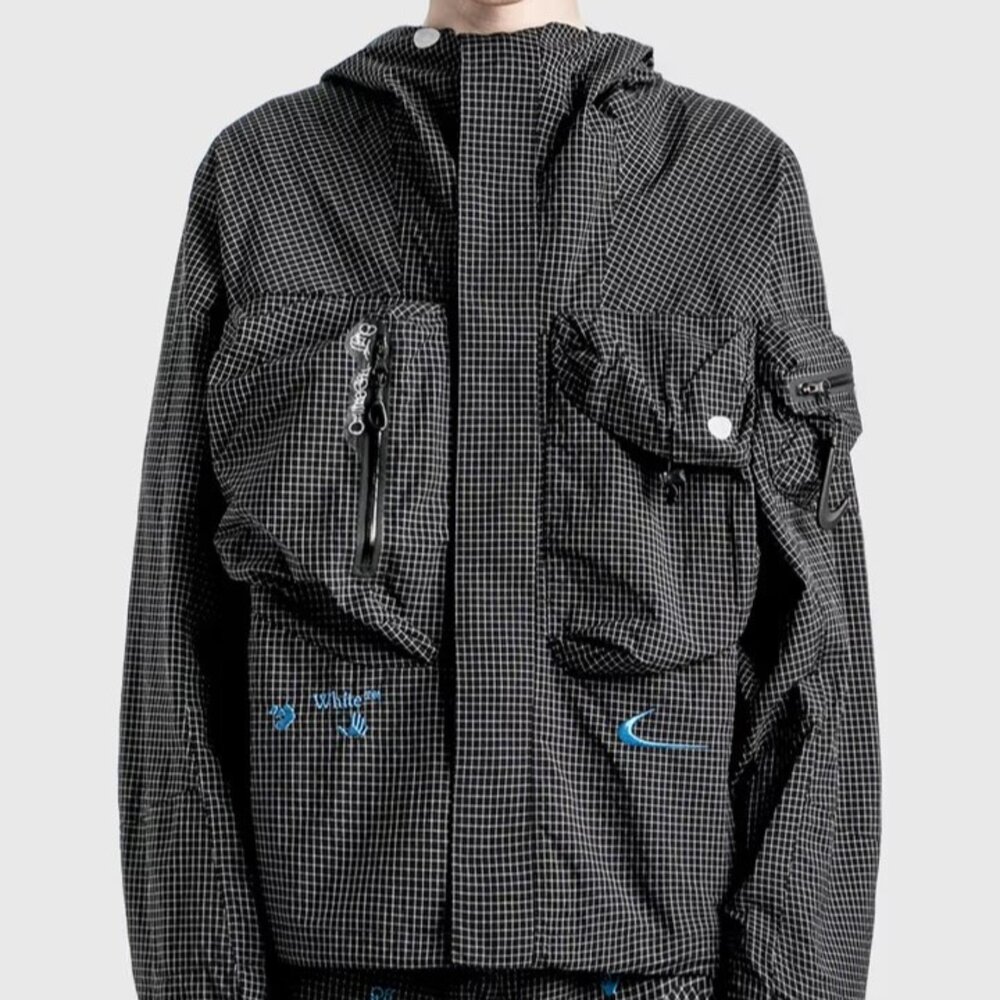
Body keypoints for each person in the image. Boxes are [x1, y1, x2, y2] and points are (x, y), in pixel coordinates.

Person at [117, 2, 882, 999]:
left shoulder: (733, 183)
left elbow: (816, 647)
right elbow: (177, 636)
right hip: (339, 971)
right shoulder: (266, 176)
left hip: (651, 975)